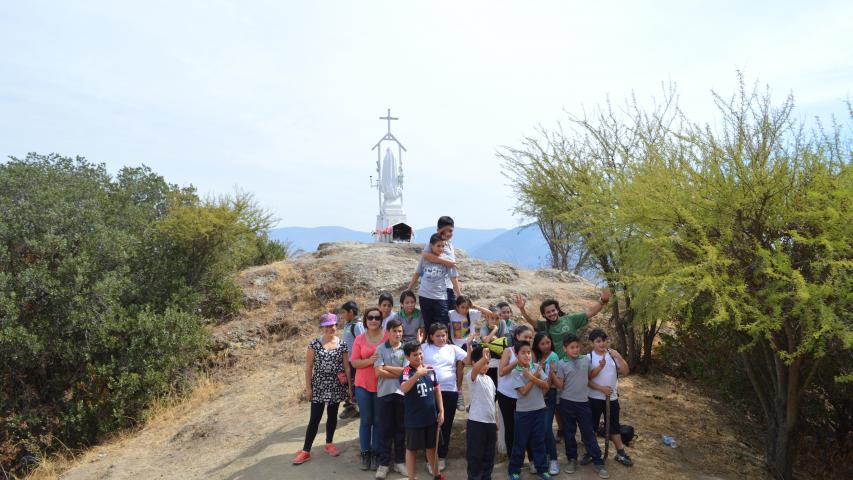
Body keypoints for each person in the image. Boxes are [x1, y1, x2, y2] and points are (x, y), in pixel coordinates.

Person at [292, 313, 352, 465]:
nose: (330, 328)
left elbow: (346, 367)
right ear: (322, 327)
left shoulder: (342, 344)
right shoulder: (314, 344)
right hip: (318, 385)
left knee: (332, 416)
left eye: (332, 325)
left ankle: (329, 443)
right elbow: (309, 367)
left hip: (336, 385)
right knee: (315, 418)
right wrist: (308, 388)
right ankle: (306, 450)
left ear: (336, 325)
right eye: (326, 326)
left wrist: (350, 388)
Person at [553, 334, 609, 478]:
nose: (575, 349)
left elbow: (590, 376)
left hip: (583, 403)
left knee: (588, 432)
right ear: (565, 349)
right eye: (572, 347)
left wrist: (601, 367)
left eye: (577, 346)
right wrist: (553, 374)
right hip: (567, 403)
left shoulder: (585, 360)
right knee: (569, 432)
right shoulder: (561, 363)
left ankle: (597, 461)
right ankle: (572, 459)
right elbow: (560, 385)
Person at [421, 323, 471, 473]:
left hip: (450, 391)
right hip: (429, 391)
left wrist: (468, 345)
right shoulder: (424, 348)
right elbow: (412, 359)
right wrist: (419, 341)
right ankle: (430, 458)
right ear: (431, 336)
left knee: (446, 424)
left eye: (443, 335)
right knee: (430, 425)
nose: (441, 338)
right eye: (438, 336)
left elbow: (467, 361)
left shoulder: (453, 348)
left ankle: (441, 456)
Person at [514, 289, 611, 361]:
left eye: (553, 310)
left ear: (557, 310)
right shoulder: (545, 326)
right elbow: (531, 321)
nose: (552, 313)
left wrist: (602, 301)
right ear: (544, 315)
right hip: (558, 363)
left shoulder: (570, 320)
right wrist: (522, 309)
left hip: (575, 360)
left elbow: (590, 312)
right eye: (548, 312)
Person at [586, 329, 633, 467]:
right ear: (592, 343)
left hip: (612, 398)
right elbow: (587, 379)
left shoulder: (612, 356)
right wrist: (601, 389)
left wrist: (618, 356)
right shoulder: (589, 357)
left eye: (604, 340)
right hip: (593, 397)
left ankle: (620, 453)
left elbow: (625, 371)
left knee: (614, 426)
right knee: (592, 425)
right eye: (598, 341)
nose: (602, 344)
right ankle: (591, 452)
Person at [351, 306, 389, 470]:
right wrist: (370, 361)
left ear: (381, 321)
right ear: (365, 320)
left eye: (377, 318)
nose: (373, 320)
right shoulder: (359, 339)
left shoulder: (387, 337)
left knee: (379, 421)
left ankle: (376, 453)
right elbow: (354, 362)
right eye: (370, 318)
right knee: (366, 420)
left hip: (382, 384)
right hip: (363, 385)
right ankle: (365, 453)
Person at [400, 342, 445, 480]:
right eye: (415, 355)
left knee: (432, 447)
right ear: (408, 357)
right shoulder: (407, 371)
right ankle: (411, 478)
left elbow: (437, 390)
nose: (419, 357)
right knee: (412, 449)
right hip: (414, 419)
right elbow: (404, 388)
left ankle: (437, 474)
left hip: (430, 417)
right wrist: (417, 375)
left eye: (420, 353)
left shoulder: (430, 369)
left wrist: (441, 411)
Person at [508, 340, 551, 480]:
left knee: (539, 441)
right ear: (516, 355)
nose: (527, 355)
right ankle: (514, 470)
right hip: (523, 413)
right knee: (520, 443)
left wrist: (532, 377)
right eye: (523, 353)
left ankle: (542, 469)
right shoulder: (515, 372)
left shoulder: (537, 367)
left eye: (528, 352)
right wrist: (534, 378)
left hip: (539, 410)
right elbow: (523, 391)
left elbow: (546, 386)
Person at [374, 319, 408, 479]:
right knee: (385, 430)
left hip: (402, 394)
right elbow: (378, 372)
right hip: (384, 394)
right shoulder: (380, 349)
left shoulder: (406, 349)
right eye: (395, 331)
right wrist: (397, 372)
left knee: (401, 429)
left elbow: (407, 373)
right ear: (388, 332)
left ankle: (400, 461)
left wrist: (386, 367)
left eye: (400, 331)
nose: (398, 334)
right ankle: (384, 463)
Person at [449, 296, 495, 411]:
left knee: (481, 364)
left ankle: (477, 397)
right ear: (457, 307)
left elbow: (490, 314)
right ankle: (459, 393)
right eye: (462, 307)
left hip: (472, 343)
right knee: (460, 365)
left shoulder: (472, 313)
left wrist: (473, 306)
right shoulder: (451, 314)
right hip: (457, 345)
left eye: (466, 307)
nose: (465, 310)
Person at [496, 324, 534, 459]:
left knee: (526, 427)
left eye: (530, 337)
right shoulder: (509, 351)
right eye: (525, 337)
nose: (528, 339)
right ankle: (514, 459)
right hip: (506, 395)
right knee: (510, 427)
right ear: (517, 337)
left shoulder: (531, 353)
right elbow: (501, 372)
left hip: (524, 395)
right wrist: (516, 362)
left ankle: (532, 459)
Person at [407, 233, 459, 332]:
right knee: (428, 325)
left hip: (440, 297)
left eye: (443, 246)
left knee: (442, 325)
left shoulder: (448, 260)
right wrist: (409, 288)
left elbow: (453, 277)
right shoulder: (425, 258)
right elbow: (417, 273)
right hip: (424, 296)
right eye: (438, 246)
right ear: (431, 245)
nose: (441, 248)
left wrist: (459, 294)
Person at [466, 344, 497, 480]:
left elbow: (491, 402)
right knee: (475, 456)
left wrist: (495, 420)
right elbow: (475, 370)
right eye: (483, 362)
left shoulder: (490, 380)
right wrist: (483, 359)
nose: (486, 365)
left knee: (489, 455)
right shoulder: (472, 376)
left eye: (488, 363)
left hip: (490, 423)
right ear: (475, 363)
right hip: (476, 422)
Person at [532, 332, 561, 475]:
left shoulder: (553, 357)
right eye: (542, 343)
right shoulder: (536, 357)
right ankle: (546, 457)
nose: (546, 346)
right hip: (537, 394)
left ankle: (554, 460)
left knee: (546, 427)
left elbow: (550, 380)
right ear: (537, 345)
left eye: (548, 342)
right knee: (540, 428)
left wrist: (542, 395)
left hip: (548, 395)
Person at [421, 216, 462, 312]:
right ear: (438, 231)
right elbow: (425, 255)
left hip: (449, 286)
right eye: (444, 231)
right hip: (438, 288)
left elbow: (453, 273)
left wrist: (459, 293)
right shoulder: (434, 243)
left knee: (450, 316)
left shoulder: (450, 244)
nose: (447, 234)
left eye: (450, 231)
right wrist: (446, 262)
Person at [340, 300, 363, 419]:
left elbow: (362, 342)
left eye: (344, 312)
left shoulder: (357, 325)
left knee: (355, 384)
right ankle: (352, 407)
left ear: (350, 312)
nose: (342, 315)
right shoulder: (348, 324)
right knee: (348, 383)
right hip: (347, 361)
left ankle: (357, 408)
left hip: (355, 361)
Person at [480, 303, 513, 388]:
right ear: (487, 318)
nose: (494, 321)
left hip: (500, 355)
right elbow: (486, 340)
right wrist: (494, 330)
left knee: (501, 384)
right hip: (489, 357)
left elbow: (503, 341)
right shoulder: (484, 327)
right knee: (491, 383)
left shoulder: (502, 323)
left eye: (497, 318)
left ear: (500, 318)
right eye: (492, 318)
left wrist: (493, 339)